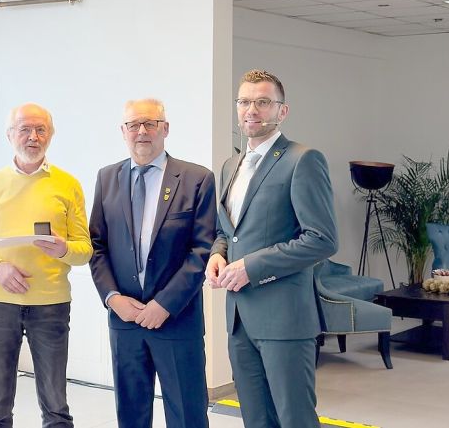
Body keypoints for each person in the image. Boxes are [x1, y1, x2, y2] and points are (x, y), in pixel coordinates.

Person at [205, 70, 337, 428]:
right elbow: (227, 230)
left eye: (263, 102)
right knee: (256, 419)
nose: (252, 110)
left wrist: (252, 266)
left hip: (285, 318)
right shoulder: (231, 165)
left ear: (282, 111)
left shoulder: (303, 159)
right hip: (239, 317)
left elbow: (321, 238)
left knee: (294, 420)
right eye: (245, 101)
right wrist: (218, 253)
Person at [0, 103, 92, 428]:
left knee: (56, 405)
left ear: (50, 135)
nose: (33, 137)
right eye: (25, 129)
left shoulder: (68, 185)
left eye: (40, 129)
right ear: (10, 135)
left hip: (51, 305)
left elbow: (84, 250)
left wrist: (63, 249)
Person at [88, 98, 216, 428]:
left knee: (187, 414)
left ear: (165, 129)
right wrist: (113, 299)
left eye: (151, 123)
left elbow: (201, 250)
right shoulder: (107, 178)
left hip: (176, 320)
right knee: (131, 415)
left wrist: (164, 304)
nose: (142, 131)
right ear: (123, 131)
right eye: (134, 125)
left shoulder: (197, 178)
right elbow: (97, 246)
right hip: (125, 320)